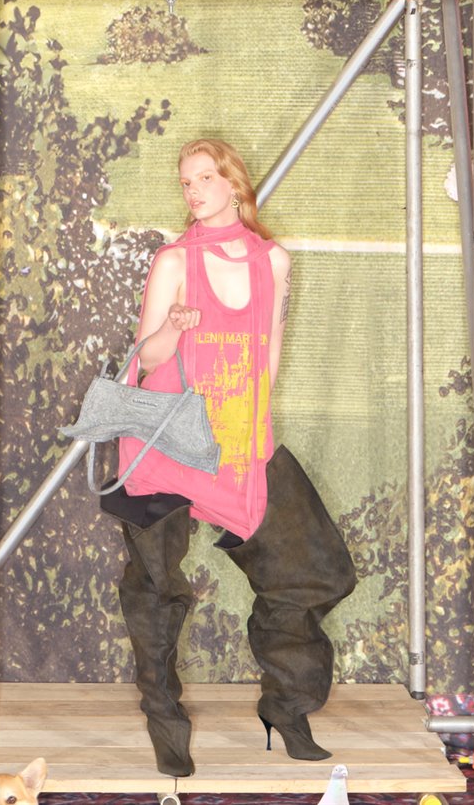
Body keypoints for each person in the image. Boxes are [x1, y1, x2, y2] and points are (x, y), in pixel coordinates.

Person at [110, 139, 356, 778]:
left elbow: (268, 354)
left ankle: (286, 708)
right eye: (185, 182)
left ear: (233, 183)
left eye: (204, 178)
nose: (193, 191)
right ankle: (165, 721)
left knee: (313, 569)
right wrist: (174, 327)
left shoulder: (272, 261)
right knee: (154, 585)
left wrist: (251, 432)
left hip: (237, 435)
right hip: (164, 436)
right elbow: (147, 359)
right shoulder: (173, 260)